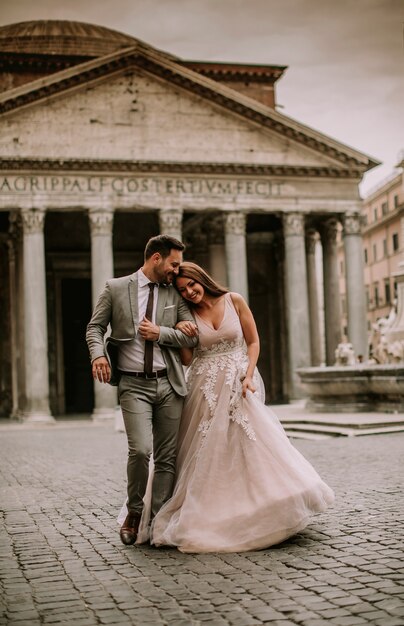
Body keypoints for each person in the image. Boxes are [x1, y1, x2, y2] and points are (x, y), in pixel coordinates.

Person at [133, 261, 334, 553]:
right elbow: (189, 359)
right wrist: (178, 330)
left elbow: (253, 341)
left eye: (192, 285)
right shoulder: (186, 313)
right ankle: (208, 509)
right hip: (203, 386)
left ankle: (262, 506)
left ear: (202, 279)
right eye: (182, 290)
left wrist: (248, 374)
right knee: (203, 450)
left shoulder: (234, 300)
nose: (189, 292)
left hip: (239, 380)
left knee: (251, 442)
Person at [86, 236, 198, 546]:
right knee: (140, 451)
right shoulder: (116, 288)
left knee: (166, 458)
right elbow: (95, 328)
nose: (177, 271)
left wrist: (160, 332)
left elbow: (191, 335)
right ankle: (134, 513)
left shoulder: (174, 291)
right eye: (173, 264)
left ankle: (158, 520)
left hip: (169, 383)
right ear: (157, 259)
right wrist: (98, 354)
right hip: (133, 384)